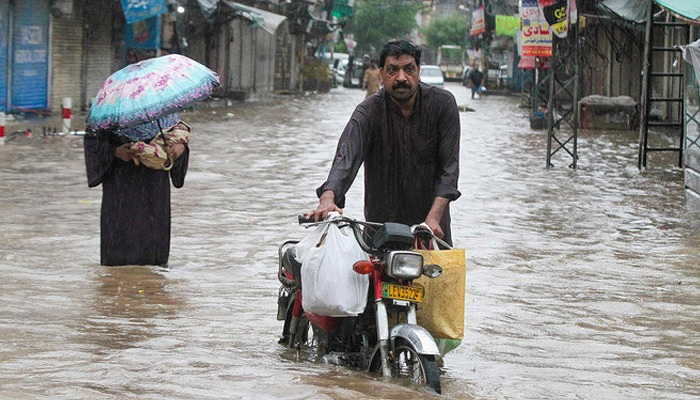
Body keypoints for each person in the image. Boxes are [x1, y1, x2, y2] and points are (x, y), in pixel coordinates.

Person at [308, 39, 461, 245]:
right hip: (380, 232)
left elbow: (449, 170)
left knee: (444, 276)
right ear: (381, 74)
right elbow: (346, 157)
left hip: (431, 231)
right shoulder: (368, 111)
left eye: (409, 69)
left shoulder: (443, 105)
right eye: (392, 70)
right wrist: (328, 198)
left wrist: (433, 218)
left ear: (418, 71)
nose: (401, 78)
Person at [84, 114, 190, 267]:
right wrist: (116, 152)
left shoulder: (164, 111)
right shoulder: (108, 115)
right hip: (120, 188)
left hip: (154, 188)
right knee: (119, 255)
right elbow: (92, 144)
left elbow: (178, 139)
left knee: (153, 257)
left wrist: (180, 149)